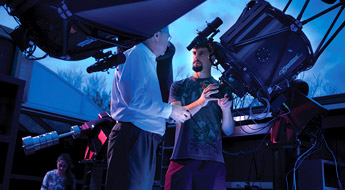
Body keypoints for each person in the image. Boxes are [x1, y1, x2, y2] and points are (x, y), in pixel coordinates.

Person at [105, 26, 191, 190]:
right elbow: (136, 100)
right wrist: (170, 111)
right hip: (135, 139)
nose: (168, 45)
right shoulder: (137, 54)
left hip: (140, 139)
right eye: (169, 38)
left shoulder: (144, 57)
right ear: (157, 35)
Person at [164, 39, 236, 190]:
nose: (196, 57)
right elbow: (174, 116)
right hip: (182, 158)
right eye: (194, 53)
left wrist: (226, 109)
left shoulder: (222, 89)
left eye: (201, 53)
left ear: (212, 59)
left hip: (213, 160)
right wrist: (201, 101)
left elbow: (228, 131)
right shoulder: (178, 86)